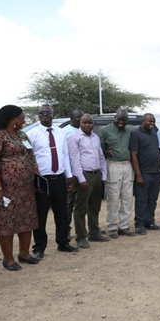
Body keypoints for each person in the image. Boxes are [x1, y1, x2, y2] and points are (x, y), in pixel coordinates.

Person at [0, 105, 40, 270]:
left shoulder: (22, 135)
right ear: (13, 120)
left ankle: (25, 253)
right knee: (6, 222)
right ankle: (8, 259)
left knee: (26, 219)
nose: (24, 120)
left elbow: (31, 157)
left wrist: (38, 179)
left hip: (25, 189)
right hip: (5, 190)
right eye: (22, 118)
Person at [27, 104, 78, 259]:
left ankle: (63, 243)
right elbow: (29, 158)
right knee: (40, 215)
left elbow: (65, 155)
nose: (44, 115)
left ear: (53, 115)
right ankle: (39, 248)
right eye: (41, 113)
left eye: (47, 112)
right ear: (38, 115)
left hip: (60, 178)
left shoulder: (60, 132)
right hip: (42, 179)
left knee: (62, 213)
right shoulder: (32, 134)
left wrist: (69, 176)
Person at [68, 114, 109, 248]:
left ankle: (94, 233)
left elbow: (101, 157)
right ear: (80, 123)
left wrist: (103, 176)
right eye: (84, 122)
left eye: (90, 123)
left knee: (94, 206)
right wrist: (80, 179)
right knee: (81, 208)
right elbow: (74, 159)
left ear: (93, 124)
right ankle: (81, 237)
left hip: (96, 175)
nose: (87, 125)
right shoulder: (74, 137)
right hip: (84, 176)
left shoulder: (95, 137)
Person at [99, 109, 136, 238]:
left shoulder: (131, 130)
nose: (121, 122)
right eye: (119, 119)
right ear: (115, 118)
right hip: (113, 165)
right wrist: (106, 152)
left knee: (127, 197)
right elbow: (99, 148)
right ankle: (112, 227)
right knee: (113, 197)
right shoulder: (105, 130)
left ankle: (124, 226)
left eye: (124, 120)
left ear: (127, 120)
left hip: (128, 165)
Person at [130, 113, 160, 235]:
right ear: (143, 121)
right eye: (149, 121)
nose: (152, 124)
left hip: (155, 172)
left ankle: (150, 221)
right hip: (143, 173)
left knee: (152, 199)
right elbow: (134, 155)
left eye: (153, 121)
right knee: (141, 200)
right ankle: (139, 224)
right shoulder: (136, 134)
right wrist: (138, 175)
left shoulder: (154, 133)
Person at [61, 108, 84, 238]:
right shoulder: (64, 132)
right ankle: (66, 230)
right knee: (68, 203)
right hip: (70, 173)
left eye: (82, 116)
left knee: (82, 204)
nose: (81, 119)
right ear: (71, 119)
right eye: (78, 117)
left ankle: (82, 230)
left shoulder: (86, 131)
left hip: (84, 171)